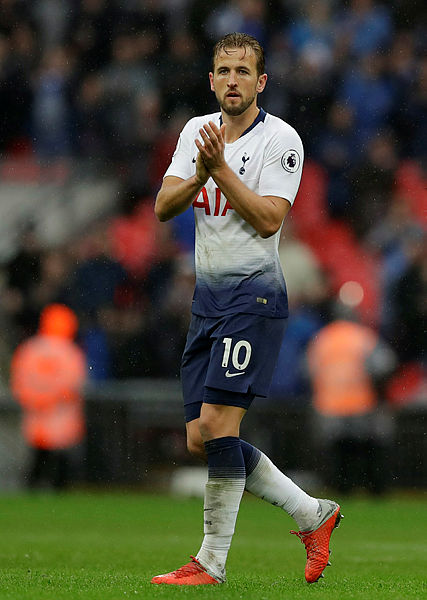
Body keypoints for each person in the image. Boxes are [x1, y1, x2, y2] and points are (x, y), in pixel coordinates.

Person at [151, 32, 342, 586]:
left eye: (243, 71)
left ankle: (210, 563)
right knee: (201, 437)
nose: (232, 80)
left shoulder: (281, 140)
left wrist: (220, 171)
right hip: (207, 302)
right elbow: (163, 206)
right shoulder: (196, 131)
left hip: (254, 298)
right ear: (211, 80)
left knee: (217, 424)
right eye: (224, 70)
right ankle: (312, 513)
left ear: (261, 82)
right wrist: (202, 170)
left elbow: (268, 219)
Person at [10, 304, 86, 490]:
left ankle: (33, 488)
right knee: (60, 460)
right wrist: (54, 398)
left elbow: (19, 379)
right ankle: (59, 490)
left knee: (38, 458)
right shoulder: (70, 351)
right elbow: (75, 384)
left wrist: (36, 399)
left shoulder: (30, 348)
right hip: (61, 414)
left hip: (36, 412)